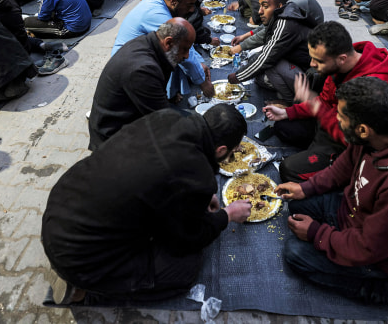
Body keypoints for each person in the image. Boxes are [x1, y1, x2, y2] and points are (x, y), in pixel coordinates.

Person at [275, 77, 388, 318]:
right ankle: (333, 230)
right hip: (357, 213)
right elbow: (342, 168)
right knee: (297, 203)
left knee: (295, 253)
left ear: (362, 129)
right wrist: (306, 189)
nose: (336, 120)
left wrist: (317, 234)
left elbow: (369, 247)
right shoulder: (378, 134)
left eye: (341, 117)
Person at [44, 104, 252, 304]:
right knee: (187, 266)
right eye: (232, 152)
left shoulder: (169, 116)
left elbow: (160, 174)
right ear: (221, 149)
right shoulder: (197, 176)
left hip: (60, 211)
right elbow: (187, 240)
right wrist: (227, 215)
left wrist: (199, 197)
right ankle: (89, 290)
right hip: (80, 256)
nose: (230, 157)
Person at [265, 22, 388, 182]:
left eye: (318, 60)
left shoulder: (374, 88)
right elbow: (324, 101)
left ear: (342, 59)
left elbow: (354, 139)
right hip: (332, 124)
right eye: (312, 57)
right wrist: (288, 112)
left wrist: (317, 108)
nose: (311, 64)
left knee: (288, 169)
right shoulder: (340, 66)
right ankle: (313, 151)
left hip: (353, 144)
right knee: (283, 126)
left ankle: (334, 184)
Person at [88, 19, 196, 149]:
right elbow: (163, 120)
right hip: (112, 137)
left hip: (123, 119)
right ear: (168, 42)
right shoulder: (143, 69)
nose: (187, 56)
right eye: (184, 49)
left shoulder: (149, 43)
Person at [113, 0, 214, 100]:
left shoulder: (161, 2)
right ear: (173, 1)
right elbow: (180, 48)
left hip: (137, 58)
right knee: (176, 55)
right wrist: (202, 82)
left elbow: (184, 40)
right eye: (189, 5)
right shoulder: (157, 14)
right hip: (127, 69)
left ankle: (170, 93)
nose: (192, 10)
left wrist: (199, 62)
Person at [227, 0, 313, 99]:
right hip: (296, 67)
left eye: (265, 7)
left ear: (279, 6)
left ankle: (291, 102)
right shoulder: (282, 14)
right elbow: (264, 33)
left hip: (307, 76)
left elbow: (267, 57)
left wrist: (238, 76)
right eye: (260, 6)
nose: (260, 11)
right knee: (257, 70)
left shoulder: (286, 22)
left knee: (270, 65)